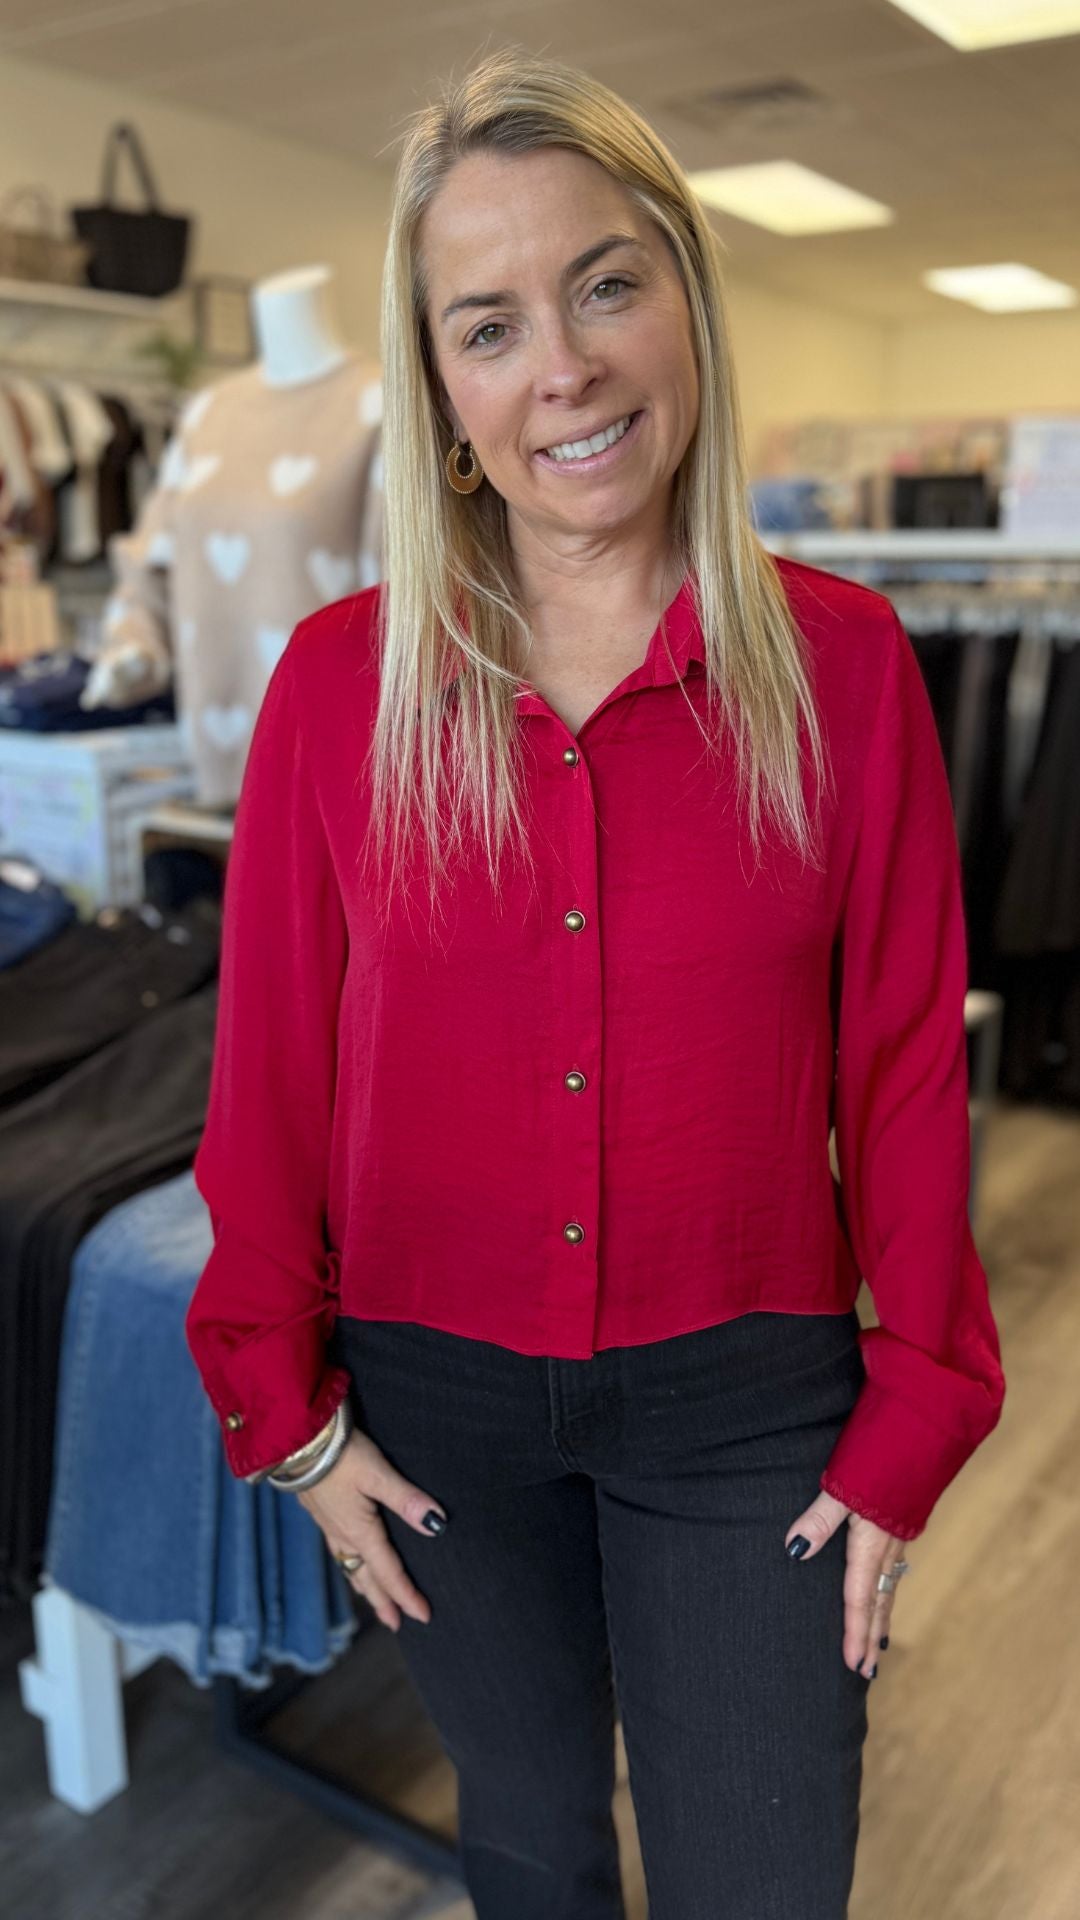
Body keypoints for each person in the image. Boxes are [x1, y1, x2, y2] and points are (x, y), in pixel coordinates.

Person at [185, 46, 1007, 1920]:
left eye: (604, 285)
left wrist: (919, 1409)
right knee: (531, 1847)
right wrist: (281, 1406)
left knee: (762, 1873)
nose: (559, 365)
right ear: (443, 389)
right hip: (434, 1407)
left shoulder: (846, 668)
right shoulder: (343, 689)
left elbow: (901, 1068)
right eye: (488, 325)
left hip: (752, 1406)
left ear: (685, 304)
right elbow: (274, 1073)